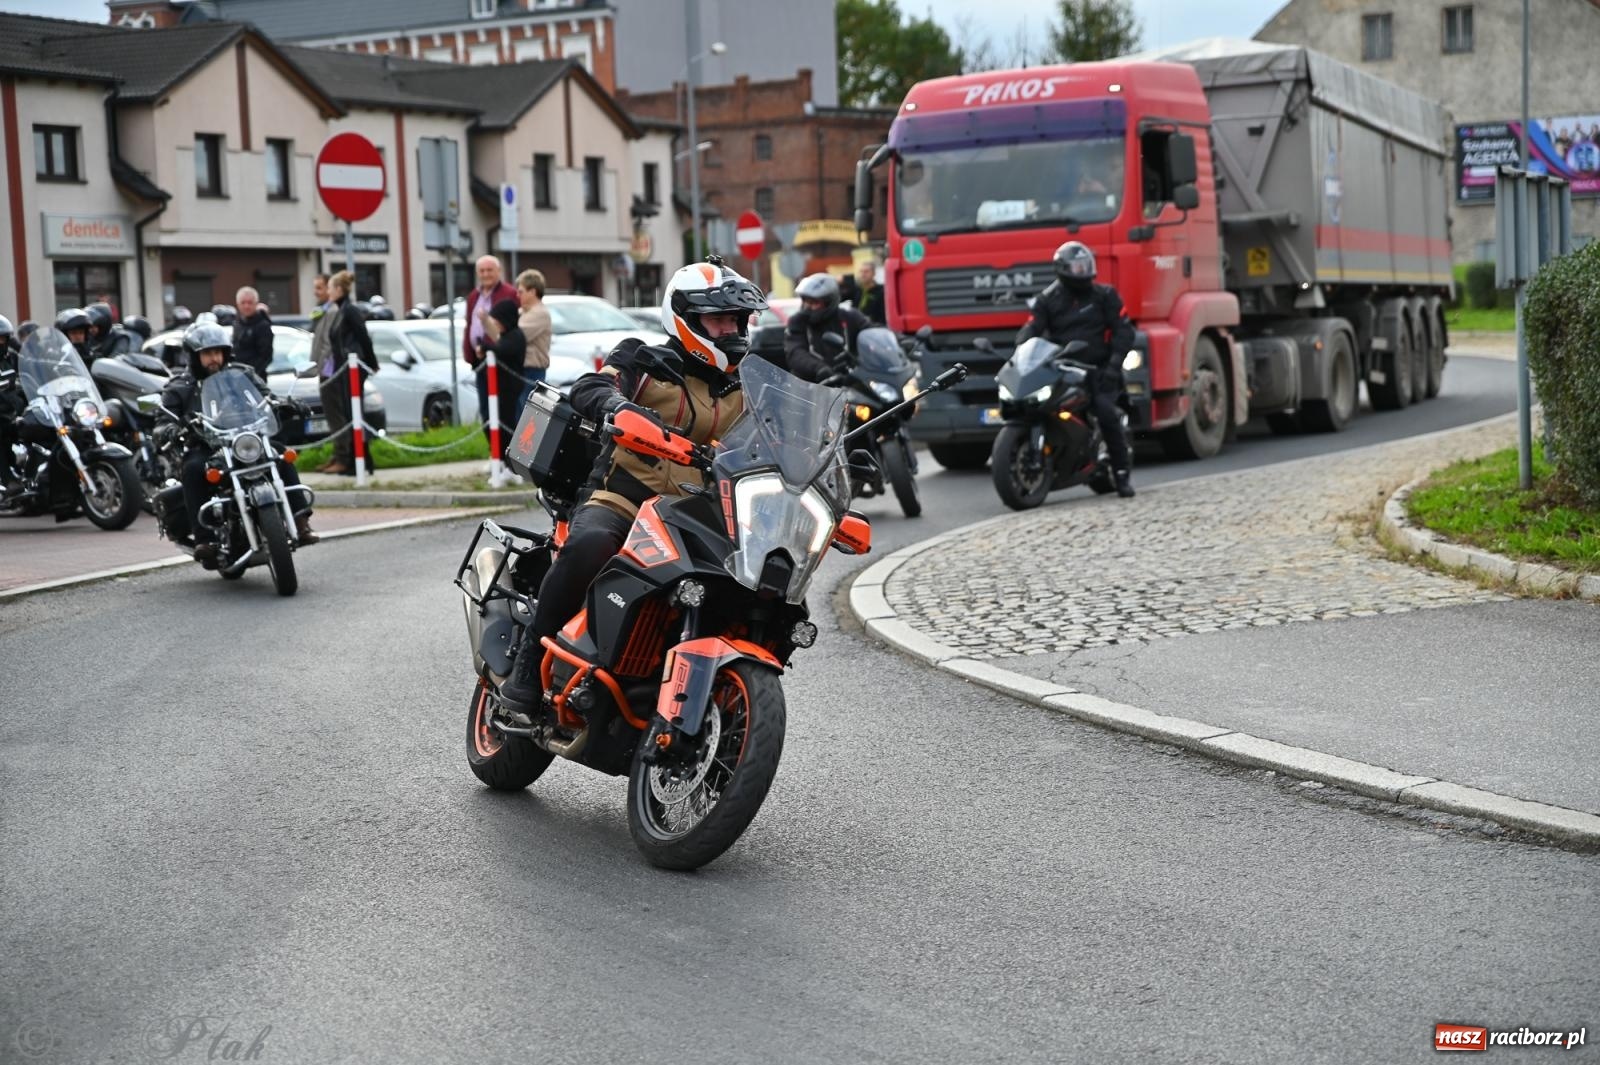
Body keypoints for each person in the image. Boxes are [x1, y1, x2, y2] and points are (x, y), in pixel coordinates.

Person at [498, 258, 767, 713]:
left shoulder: (747, 383)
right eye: (717, 319)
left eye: (735, 320)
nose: (729, 330)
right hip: (624, 498)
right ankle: (529, 662)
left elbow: (776, 437)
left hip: (700, 514)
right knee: (591, 545)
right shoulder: (643, 359)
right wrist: (617, 406)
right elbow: (591, 386)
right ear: (686, 319)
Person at [161, 323, 316, 566]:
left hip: (246, 439)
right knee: (192, 469)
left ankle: (300, 521)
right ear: (194, 355)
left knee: (281, 456)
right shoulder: (181, 386)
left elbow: (267, 397)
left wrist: (286, 404)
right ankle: (206, 539)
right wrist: (170, 428)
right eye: (207, 353)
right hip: (208, 446)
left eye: (218, 352)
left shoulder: (242, 374)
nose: (214, 358)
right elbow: (162, 421)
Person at [1016, 240, 1136, 498]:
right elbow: (1033, 328)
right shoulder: (1047, 300)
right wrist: (1021, 347)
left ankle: (1122, 473)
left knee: (1106, 413)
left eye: (1085, 266)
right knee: (1034, 405)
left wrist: (1114, 365)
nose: (1082, 272)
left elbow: (1124, 331)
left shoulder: (1105, 296)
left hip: (1099, 371)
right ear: (1061, 269)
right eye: (1076, 267)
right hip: (1060, 368)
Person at [311, 270, 378, 476]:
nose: (328, 292)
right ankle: (360, 460)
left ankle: (361, 460)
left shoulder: (350, 311)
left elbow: (363, 337)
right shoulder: (339, 310)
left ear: (339, 289)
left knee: (354, 413)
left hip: (353, 368)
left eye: (330, 287)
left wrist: (372, 363)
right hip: (342, 369)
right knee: (350, 414)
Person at [463, 255, 518, 429]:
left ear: (498, 271)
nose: (486, 274)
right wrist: (469, 352)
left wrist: (491, 347)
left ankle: (502, 451)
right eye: (482, 271)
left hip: (499, 360)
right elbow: (470, 323)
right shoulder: (473, 296)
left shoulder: (508, 293)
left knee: (501, 411)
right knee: (486, 410)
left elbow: (511, 327)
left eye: (489, 270)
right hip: (479, 360)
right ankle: (493, 449)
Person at [785, 273, 870, 383]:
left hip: (848, 381)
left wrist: (895, 338)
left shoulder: (850, 317)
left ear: (829, 301)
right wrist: (819, 368)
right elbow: (796, 352)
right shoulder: (797, 321)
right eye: (805, 301)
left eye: (814, 302)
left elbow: (871, 330)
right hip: (809, 385)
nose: (808, 306)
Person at [473, 298, 527, 454]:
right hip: (501, 388)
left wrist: (484, 347)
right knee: (496, 423)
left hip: (510, 388)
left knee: (507, 425)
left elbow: (503, 350)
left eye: (497, 320)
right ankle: (500, 458)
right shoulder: (507, 335)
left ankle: (509, 461)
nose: (495, 323)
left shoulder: (515, 336)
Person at [514, 269, 551, 409]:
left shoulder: (539, 313)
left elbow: (517, 337)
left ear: (533, 291)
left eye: (521, 291)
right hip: (523, 369)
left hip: (532, 370)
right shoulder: (524, 312)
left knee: (526, 413)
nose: (517, 295)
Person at [232, 286, 274, 377]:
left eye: (250, 303)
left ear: (256, 304)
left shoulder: (263, 326)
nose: (246, 306)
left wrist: (251, 374)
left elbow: (266, 356)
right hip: (237, 376)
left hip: (255, 378)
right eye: (243, 303)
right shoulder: (237, 324)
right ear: (238, 304)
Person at [855, 259, 887, 325]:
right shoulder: (857, 290)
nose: (863, 274)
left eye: (866, 271)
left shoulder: (881, 291)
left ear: (874, 273)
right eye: (861, 271)